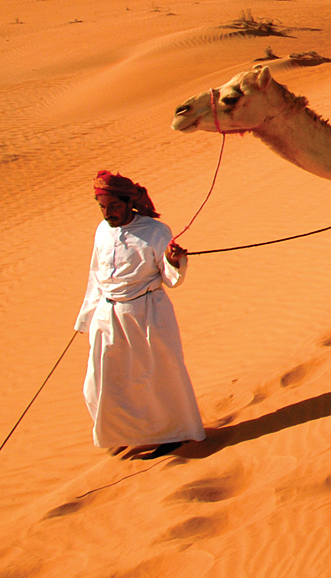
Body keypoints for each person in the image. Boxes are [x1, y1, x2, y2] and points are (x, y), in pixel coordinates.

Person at [76, 172, 205, 457]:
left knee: (157, 376)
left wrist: (174, 261)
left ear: (128, 202)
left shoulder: (156, 231)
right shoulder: (102, 230)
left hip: (146, 313)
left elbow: (170, 278)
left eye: (113, 206)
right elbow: (96, 275)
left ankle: (173, 433)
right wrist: (86, 317)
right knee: (100, 379)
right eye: (102, 206)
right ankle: (120, 433)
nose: (107, 213)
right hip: (107, 315)